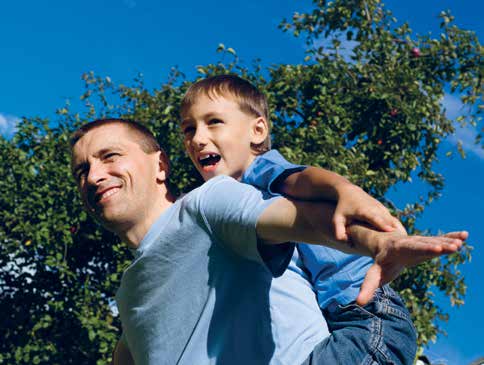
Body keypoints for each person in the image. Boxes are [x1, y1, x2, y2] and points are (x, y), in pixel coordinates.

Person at [70, 118, 466, 365]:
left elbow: (303, 219)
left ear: (160, 165)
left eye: (109, 156)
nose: (93, 176)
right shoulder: (129, 294)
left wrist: (374, 242)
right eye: (82, 170)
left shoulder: (207, 205)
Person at [179, 75, 420, 364]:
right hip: (339, 321)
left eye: (214, 122)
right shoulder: (225, 204)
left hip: (367, 319)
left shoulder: (260, 171)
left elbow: (303, 178)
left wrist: (344, 190)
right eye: (189, 129)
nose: (198, 138)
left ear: (257, 131)